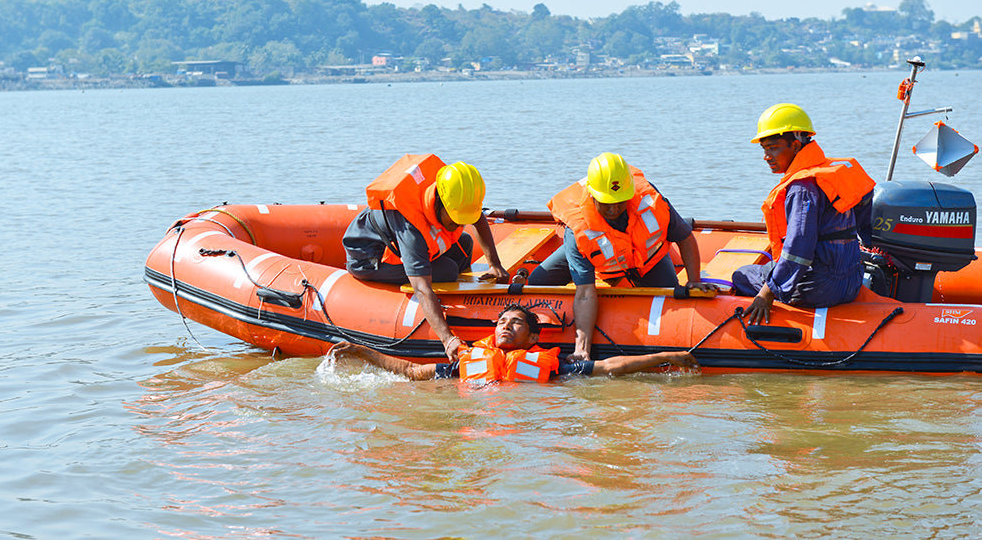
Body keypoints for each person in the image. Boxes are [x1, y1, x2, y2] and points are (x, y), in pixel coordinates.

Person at [526, 152, 715, 360]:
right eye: (606, 203)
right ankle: (607, 277)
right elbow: (585, 292)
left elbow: (685, 237)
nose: (614, 208)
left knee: (667, 299)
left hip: (648, 258)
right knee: (536, 282)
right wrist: (582, 349)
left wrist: (693, 281)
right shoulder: (578, 226)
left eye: (620, 201)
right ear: (592, 195)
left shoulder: (648, 198)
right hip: (598, 255)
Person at [343, 154, 509, 362]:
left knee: (465, 244)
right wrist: (448, 339)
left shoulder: (452, 193)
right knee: (447, 270)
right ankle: (445, 312)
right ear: (440, 202)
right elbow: (422, 288)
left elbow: (478, 218)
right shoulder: (411, 227)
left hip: (396, 242)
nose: (459, 224)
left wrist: (495, 264)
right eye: (456, 219)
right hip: (371, 258)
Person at [732, 103, 875, 324]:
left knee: (741, 275)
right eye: (764, 149)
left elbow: (799, 246)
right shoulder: (835, 172)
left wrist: (767, 293)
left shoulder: (802, 188)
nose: (766, 156)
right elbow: (865, 207)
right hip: (852, 281)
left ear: (796, 145)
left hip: (819, 287)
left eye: (773, 148)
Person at [329, 303, 699, 381]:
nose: (505, 326)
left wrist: (670, 356)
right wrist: (363, 351)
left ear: (534, 337)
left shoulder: (554, 366)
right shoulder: (467, 363)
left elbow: (609, 367)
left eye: (516, 323)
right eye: (502, 322)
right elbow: (411, 371)